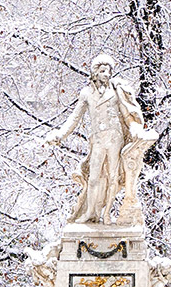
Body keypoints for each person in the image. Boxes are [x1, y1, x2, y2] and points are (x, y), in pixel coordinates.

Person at [42, 54, 144, 224]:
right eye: (103, 71)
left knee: (113, 176)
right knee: (93, 177)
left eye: (109, 71)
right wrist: (59, 135)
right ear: (95, 73)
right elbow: (74, 118)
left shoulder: (116, 91)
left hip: (114, 137)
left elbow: (126, 114)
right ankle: (90, 212)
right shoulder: (86, 94)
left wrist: (134, 128)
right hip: (98, 139)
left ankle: (107, 213)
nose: (107, 75)